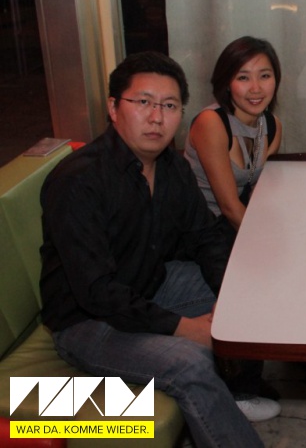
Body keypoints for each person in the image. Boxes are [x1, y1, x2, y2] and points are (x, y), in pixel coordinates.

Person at [39, 52, 278, 448]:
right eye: (143, 102)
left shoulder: (171, 167)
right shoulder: (78, 181)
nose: (156, 117)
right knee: (191, 361)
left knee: (248, 291)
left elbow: (205, 237)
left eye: (169, 106)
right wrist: (185, 328)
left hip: (149, 285)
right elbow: (97, 291)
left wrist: (228, 295)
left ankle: (231, 396)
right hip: (85, 320)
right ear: (114, 108)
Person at [184, 36, 283, 237]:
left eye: (264, 76)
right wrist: (265, 242)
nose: (256, 88)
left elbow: (259, 192)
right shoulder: (211, 122)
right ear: (227, 83)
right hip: (202, 230)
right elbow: (229, 207)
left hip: (239, 223)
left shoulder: (273, 126)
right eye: (243, 78)